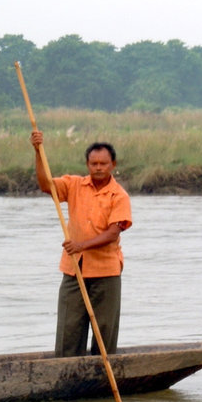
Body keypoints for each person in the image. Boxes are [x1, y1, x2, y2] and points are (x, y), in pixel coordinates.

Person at [30, 130, 132, 357]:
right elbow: (46, 185)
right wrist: (38, 151)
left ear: (112, 164)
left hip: (106, 272)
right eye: (93, 163)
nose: (98, 167)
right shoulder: (74, 185)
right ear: (87, 164)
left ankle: (102, 379)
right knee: (68, 330)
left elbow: (113, 233)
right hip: (74, 269)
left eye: (103, 163)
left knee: (104, 332)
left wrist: (81, 245)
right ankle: (68, 376)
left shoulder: (118, 195)